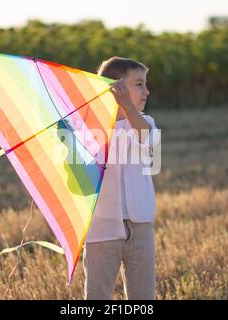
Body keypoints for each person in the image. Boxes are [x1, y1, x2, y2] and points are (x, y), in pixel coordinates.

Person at [83, 56, 158, 300]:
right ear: (116, 87)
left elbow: (148, 143)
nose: (146, 90)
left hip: (141, 228)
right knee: (97, 297)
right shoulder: (86, 129)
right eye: (139, 84)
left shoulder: (145, 122)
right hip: (101, 230)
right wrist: (66, 141)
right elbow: (80, 185)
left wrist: (127, 105)